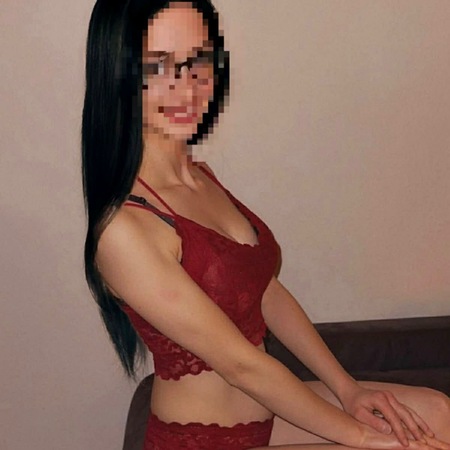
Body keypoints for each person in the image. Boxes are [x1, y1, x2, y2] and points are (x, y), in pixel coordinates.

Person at [81, 1, 450, 449]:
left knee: (436, 412)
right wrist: (363, 438)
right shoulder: (123, 230)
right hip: (205, 440)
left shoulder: (200, 178)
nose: (187, 87)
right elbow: (242, 366)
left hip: (266, 422)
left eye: (198, 60)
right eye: (157, 66)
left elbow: (265, 291)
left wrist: (348, 389)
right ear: (117, 75)